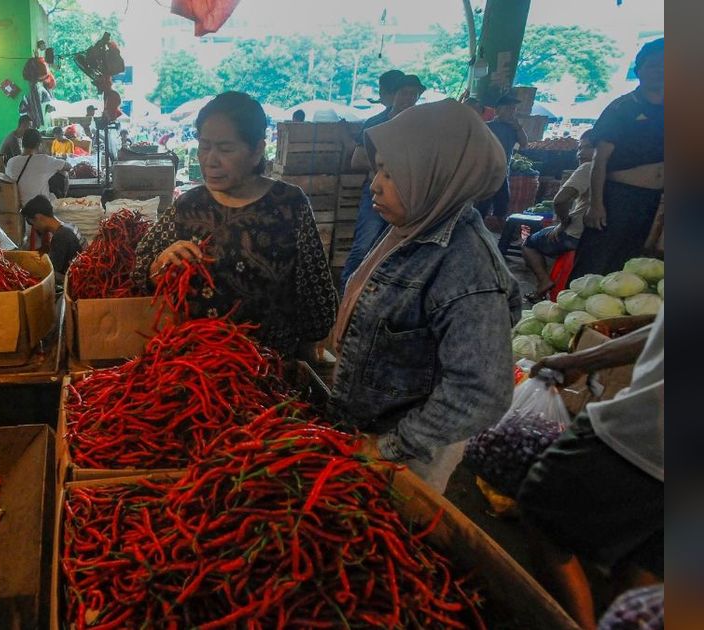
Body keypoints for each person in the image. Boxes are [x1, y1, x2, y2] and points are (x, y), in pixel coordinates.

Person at [330, 99, 520, 493]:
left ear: (438, 174)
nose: (375, 184)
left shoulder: (467, 267)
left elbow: (481, 391)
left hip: (407, 454)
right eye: (378, 167)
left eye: (392, 172)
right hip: (364, 428)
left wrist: (391, 446)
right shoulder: (413, 224)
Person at [133, 92, 337, 369]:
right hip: (193, 368)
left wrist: (310, 348)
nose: (210, 160)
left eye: (225, 149)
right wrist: (158, 264)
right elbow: (140, 267)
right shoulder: (188, 205)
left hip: (266, 369)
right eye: (204, 146)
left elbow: (316, 295)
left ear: (257, 150)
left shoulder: (290, 204)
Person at [518, 308, 663, 629]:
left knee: (541, 509)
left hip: (649, 434)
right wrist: (581, 361)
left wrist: (578, 361)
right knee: (644, 560)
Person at [571, 38, 664, 280]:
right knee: (594, 262)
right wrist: (596, 204)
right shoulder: (622, 108)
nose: (661, 71)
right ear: (639, 70)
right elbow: (599, 161)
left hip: (650, 200)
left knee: (626, 266)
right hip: (616, 198)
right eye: (654, 65)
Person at [340, 71, 421, 291]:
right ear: (393, 96)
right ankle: (345, 295)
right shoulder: (376, 123)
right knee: (364, 245)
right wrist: (388, 165)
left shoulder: (420, 126)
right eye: (404, 93)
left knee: (397, 248)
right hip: (378, 193)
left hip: (408, 196)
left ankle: (378, 296)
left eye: (414, 95)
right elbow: (357, 159)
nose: (409, 99)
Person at [522, 130, 597, 301]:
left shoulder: (588, 168)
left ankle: (544, 281)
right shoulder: (617, 171)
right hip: (596, 236)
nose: (580, 153)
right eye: (579, 148)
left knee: (529, 243)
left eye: (587, 148)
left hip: (574, 234)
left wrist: (563, 223)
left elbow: (560, 200)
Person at [475, 92, 529, 231]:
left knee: (502, 203)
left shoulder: (514, 128)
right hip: (486, 173)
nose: (511, 112)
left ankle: (502, 230)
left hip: (503, 173)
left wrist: (518, 127)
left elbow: (524, 143)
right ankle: (476, 229)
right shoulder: (487, 126)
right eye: (508, 108)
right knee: (482, 204)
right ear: (497, 110)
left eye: (513, 109)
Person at [21, 195, 85, 285]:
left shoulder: (60, 236)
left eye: (32, 223)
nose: (34, 227)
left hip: (76, 283)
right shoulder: (70, 226)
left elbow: (52, 273)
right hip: (82, 276)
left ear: (39, 217)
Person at [4, 128, 71, 206]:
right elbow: (68, 166)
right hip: (41, 206)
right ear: (38, 144)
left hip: (19, 206)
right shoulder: (44, 159)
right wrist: (47, 155)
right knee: (63, 172)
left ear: (23, 143)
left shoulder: (11, 161)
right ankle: (61, 202)